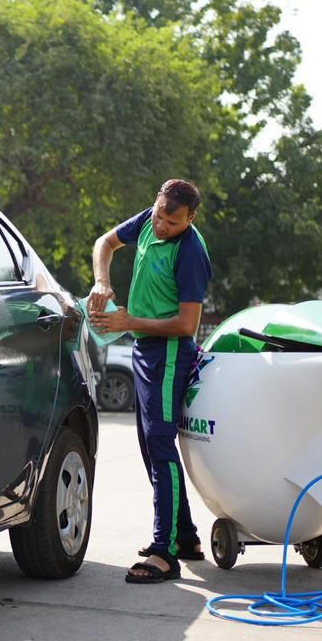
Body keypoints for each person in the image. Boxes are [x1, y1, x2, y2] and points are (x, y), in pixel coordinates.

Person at [88, 179, 212, 583]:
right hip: (144, 348)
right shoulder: (147, 220)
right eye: (159, 216)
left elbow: (187, 324)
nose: (161, 226)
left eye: (172, 222)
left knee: (160, 443)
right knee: (149, 444)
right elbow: (104, 243)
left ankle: (164, 552)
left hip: (170, 352)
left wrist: (129, 322)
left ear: (190, 219)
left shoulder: (190, 251)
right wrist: (102, 282)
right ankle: (186, 538)